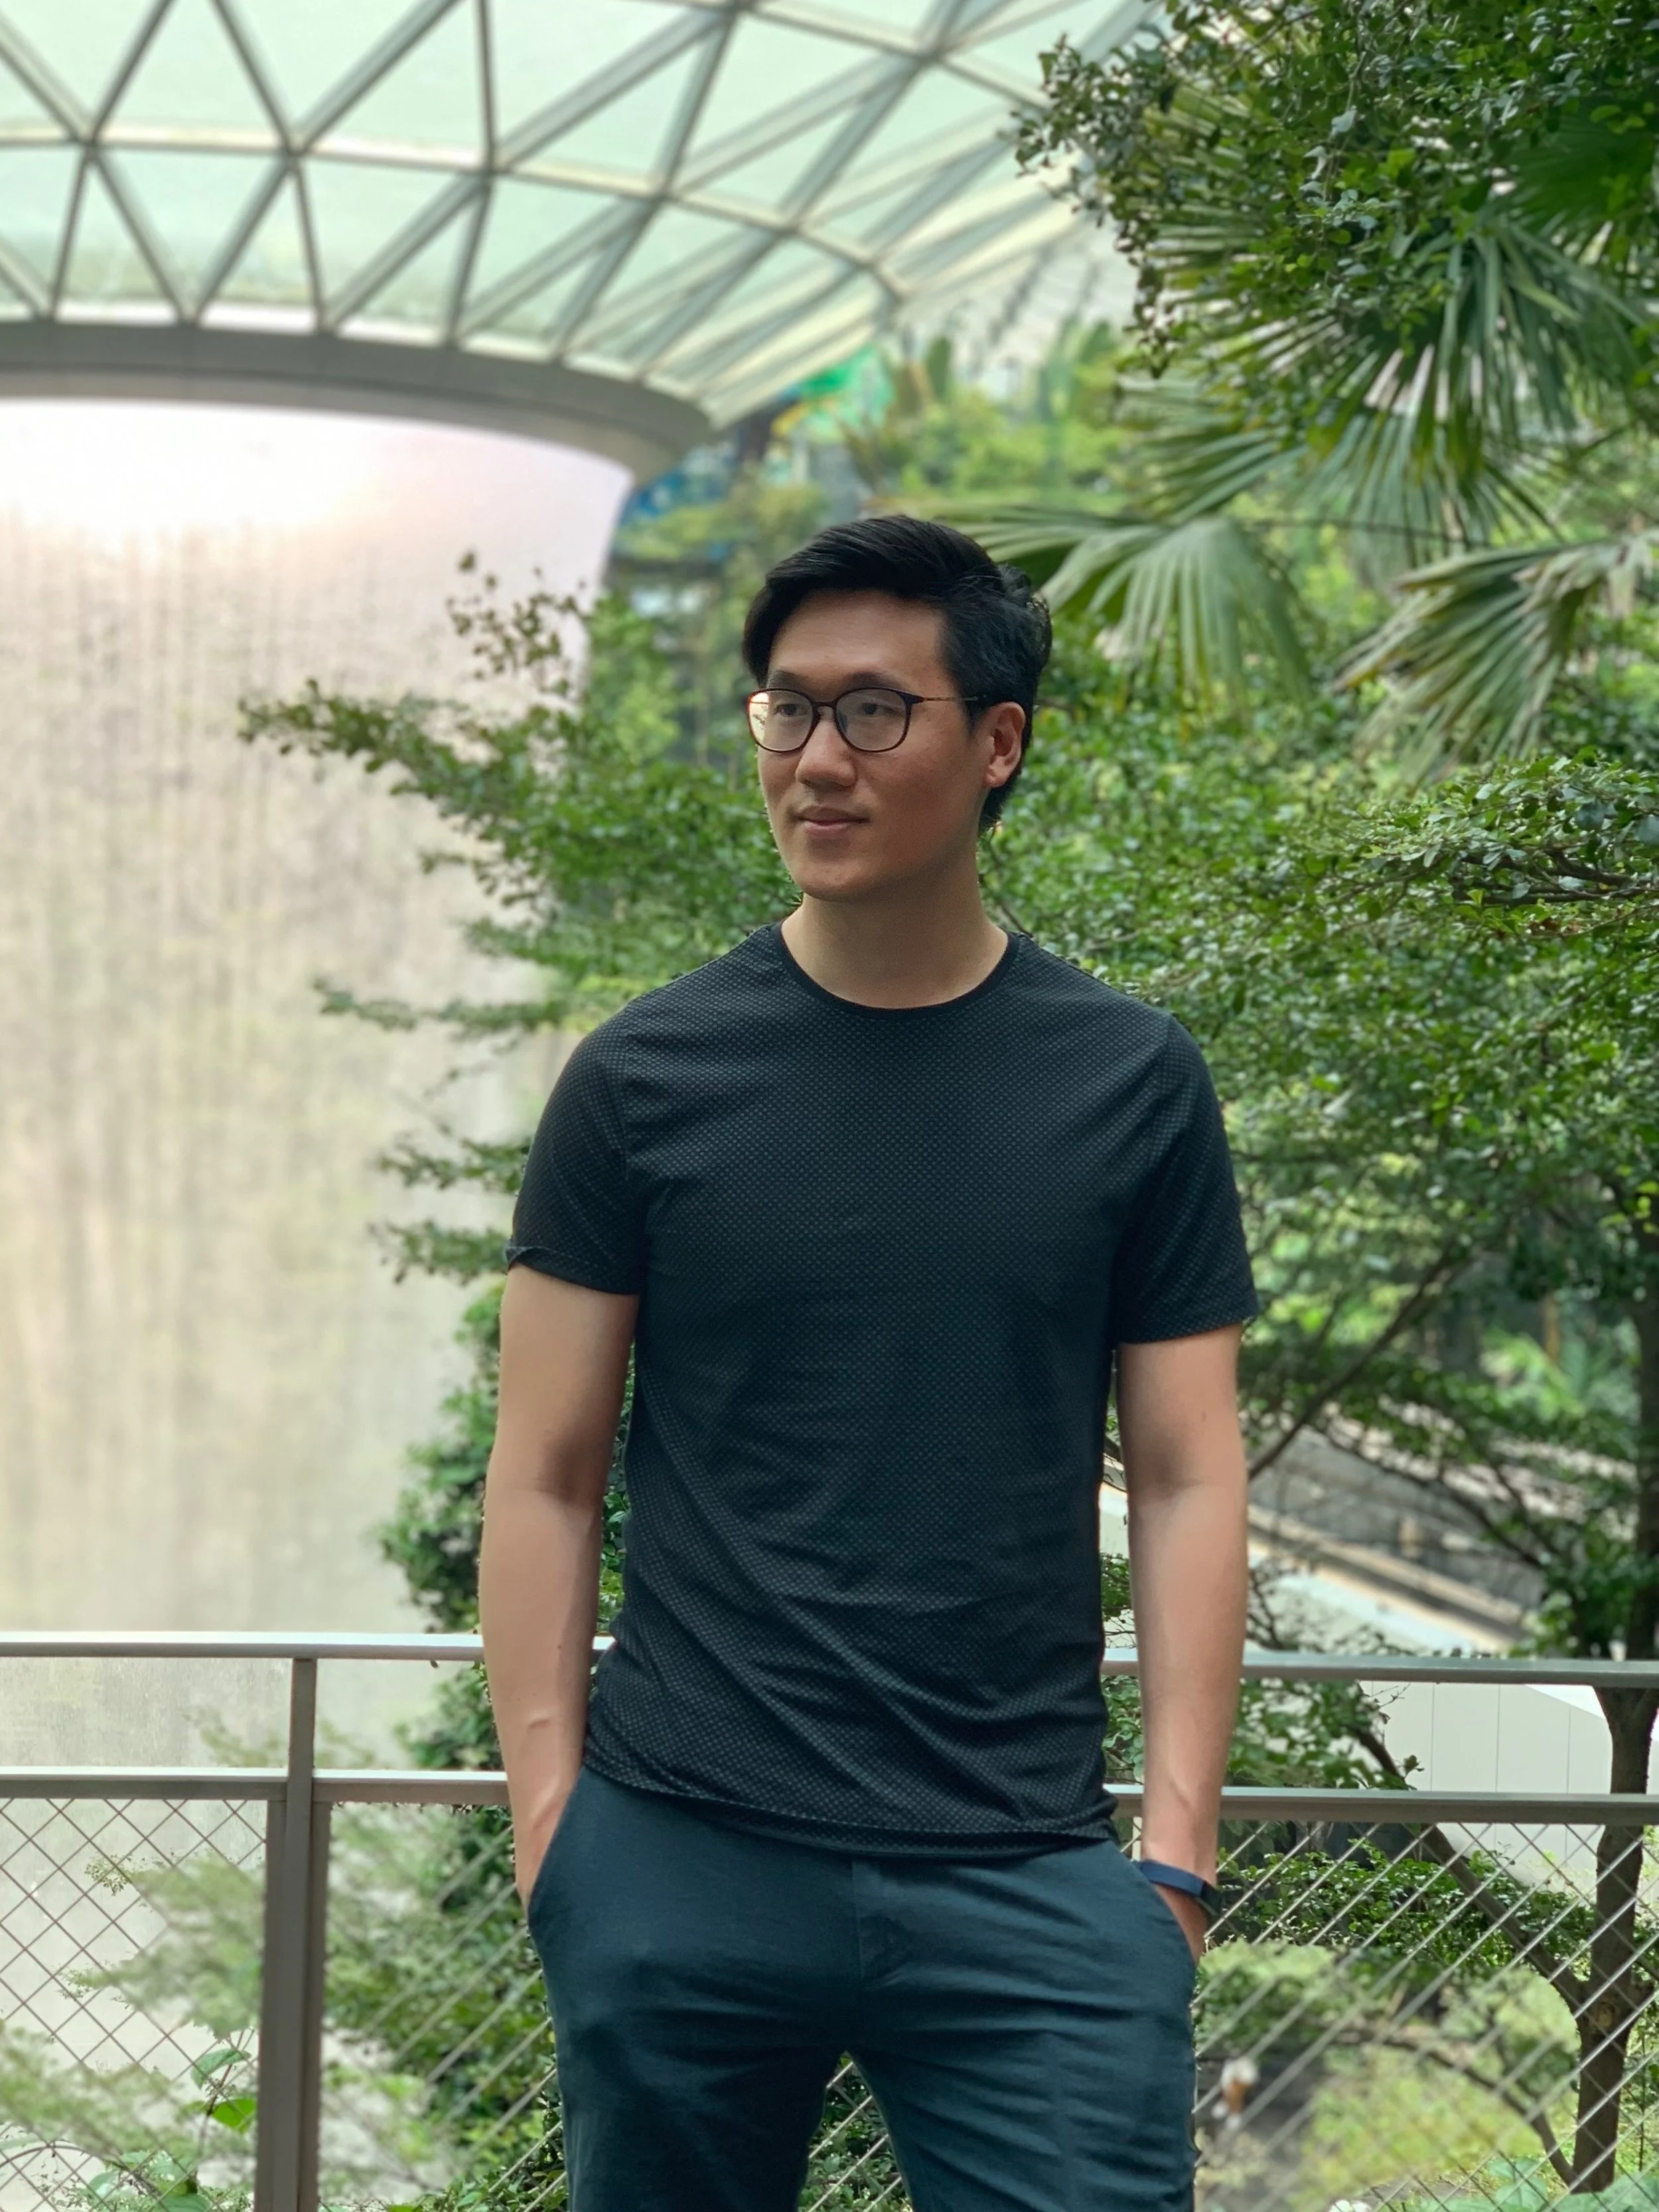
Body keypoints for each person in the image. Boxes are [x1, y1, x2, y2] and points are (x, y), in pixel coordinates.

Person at [480, 516, 1256, 2212]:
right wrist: (559, 1837)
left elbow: (1194, 1471)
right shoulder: (639, 1081)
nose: (816, 758)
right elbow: (542, 1469)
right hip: (677, 1858)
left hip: (1031, 1877)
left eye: (872, 713)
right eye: (785, 710)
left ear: (997, 744)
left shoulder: (1128, 1083)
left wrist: (1175, 1856)